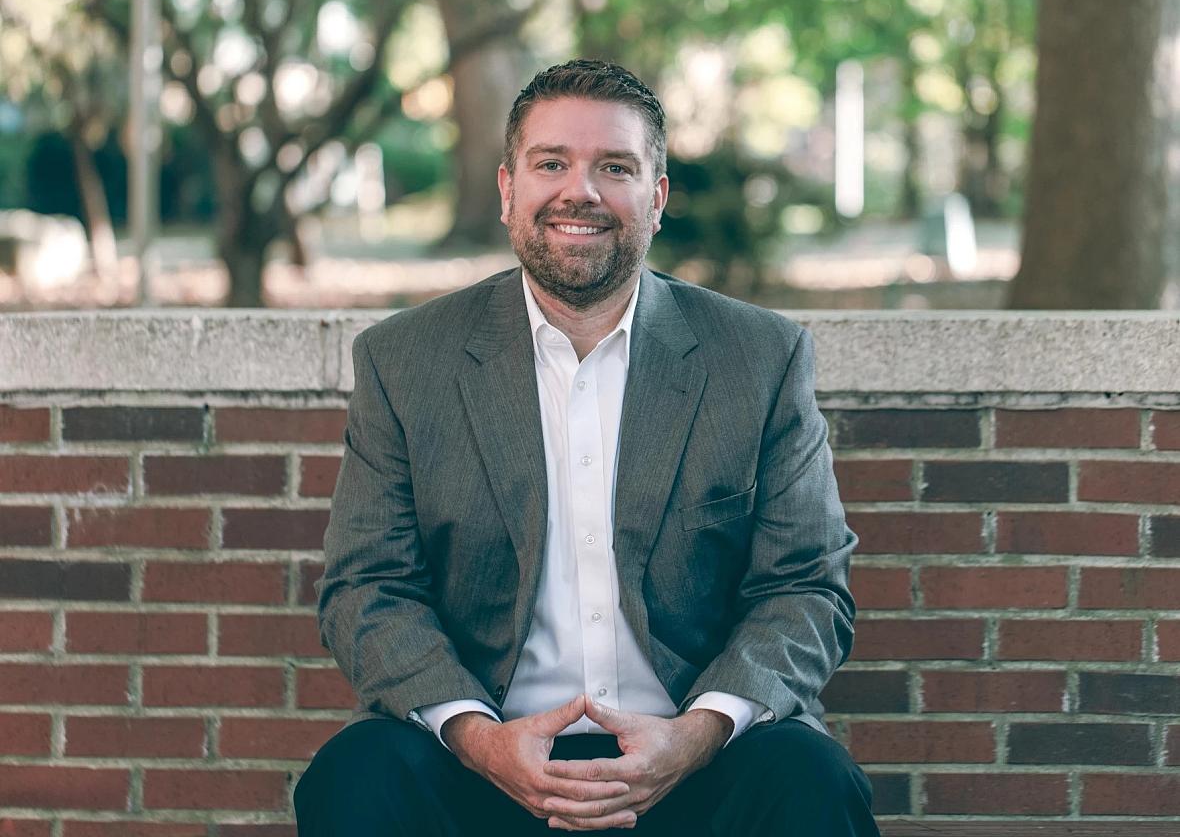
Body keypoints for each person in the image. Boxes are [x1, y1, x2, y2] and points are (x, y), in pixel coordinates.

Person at [294, 59, 879, 836]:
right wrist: (479, 740)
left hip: (694, 764)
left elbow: (806, 587)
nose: (582, 191)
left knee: (812, 778)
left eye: (615, 167)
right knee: (357, 777)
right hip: (486, 764)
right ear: (507, 191)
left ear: (657, 197)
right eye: (552, 164)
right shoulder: (406, 363)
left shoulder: (759, 358)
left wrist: (695, 736)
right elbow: (369, 587)